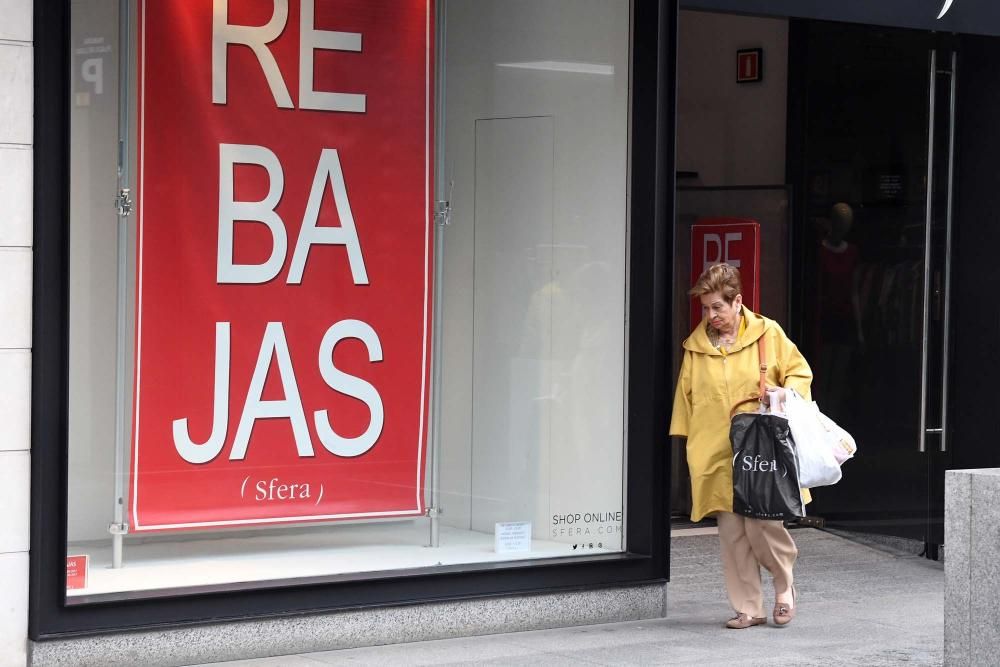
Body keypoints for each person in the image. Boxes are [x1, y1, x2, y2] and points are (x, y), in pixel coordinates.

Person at [670, 263, 813, 629]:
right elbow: (686, 401)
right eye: (705, 308)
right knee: (732, 533)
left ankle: (784, 584)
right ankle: (748, 606)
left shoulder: (768, 334)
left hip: (760, 449)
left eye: (717, 306)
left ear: (738, 303)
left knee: (762, 524)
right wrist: (691, 449)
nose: (710, 315)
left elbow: (800, 373)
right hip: (715, 449)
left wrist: (784, 392)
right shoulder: (696, 347)